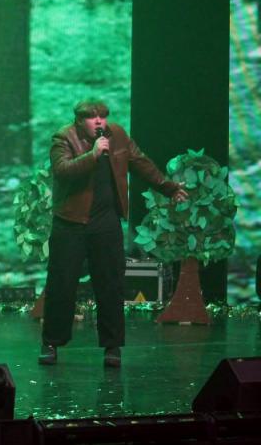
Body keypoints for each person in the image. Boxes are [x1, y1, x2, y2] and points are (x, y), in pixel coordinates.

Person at [40, 99, 188, 368]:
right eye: (92, 117)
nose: (99, 121)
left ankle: (112, 346)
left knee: (110, 285)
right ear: (79, 121)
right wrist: (93, 155)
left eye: (102, 116)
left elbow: (140, 162)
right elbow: (62, 171)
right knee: (62, 286)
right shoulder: (63, 138)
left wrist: (168, 187)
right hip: (70, 223)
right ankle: (51, 343)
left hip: (105, 223)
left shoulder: (117, 135)